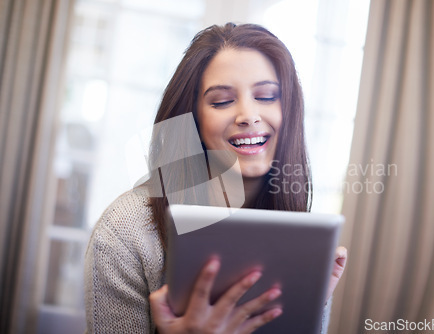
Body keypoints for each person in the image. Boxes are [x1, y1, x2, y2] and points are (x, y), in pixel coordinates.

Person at [84, 22, 347, 334]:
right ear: (192, 117)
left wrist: (304, 313)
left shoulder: (300, 240)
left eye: (266, 96)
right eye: (222, 101)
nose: (248, 115)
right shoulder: (125, 233)